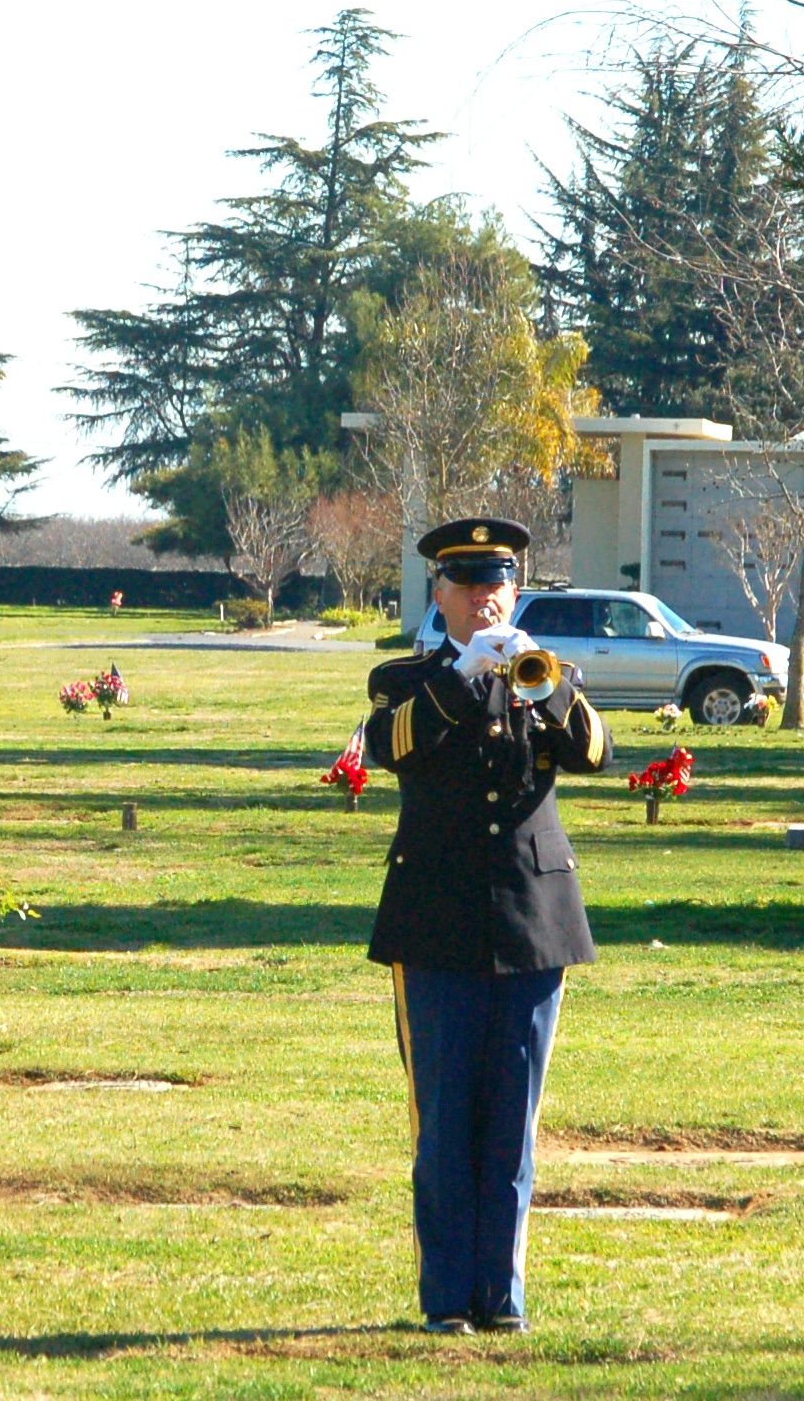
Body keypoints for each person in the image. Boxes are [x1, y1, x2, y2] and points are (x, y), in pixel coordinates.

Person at [363, 517, 611, 1335]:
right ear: (438, 594)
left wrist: (550, 687)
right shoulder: (405, 679)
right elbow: (389, 746)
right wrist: (462, 677)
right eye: (467, 586)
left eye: (496, 585)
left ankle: (501, 1299)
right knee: (443, 1124)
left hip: (531, 920)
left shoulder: (544, 673)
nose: (483, 600)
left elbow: (595, 753)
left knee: (512, 1123)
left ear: (515, 591)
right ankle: (445, 1300)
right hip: (433, 920)